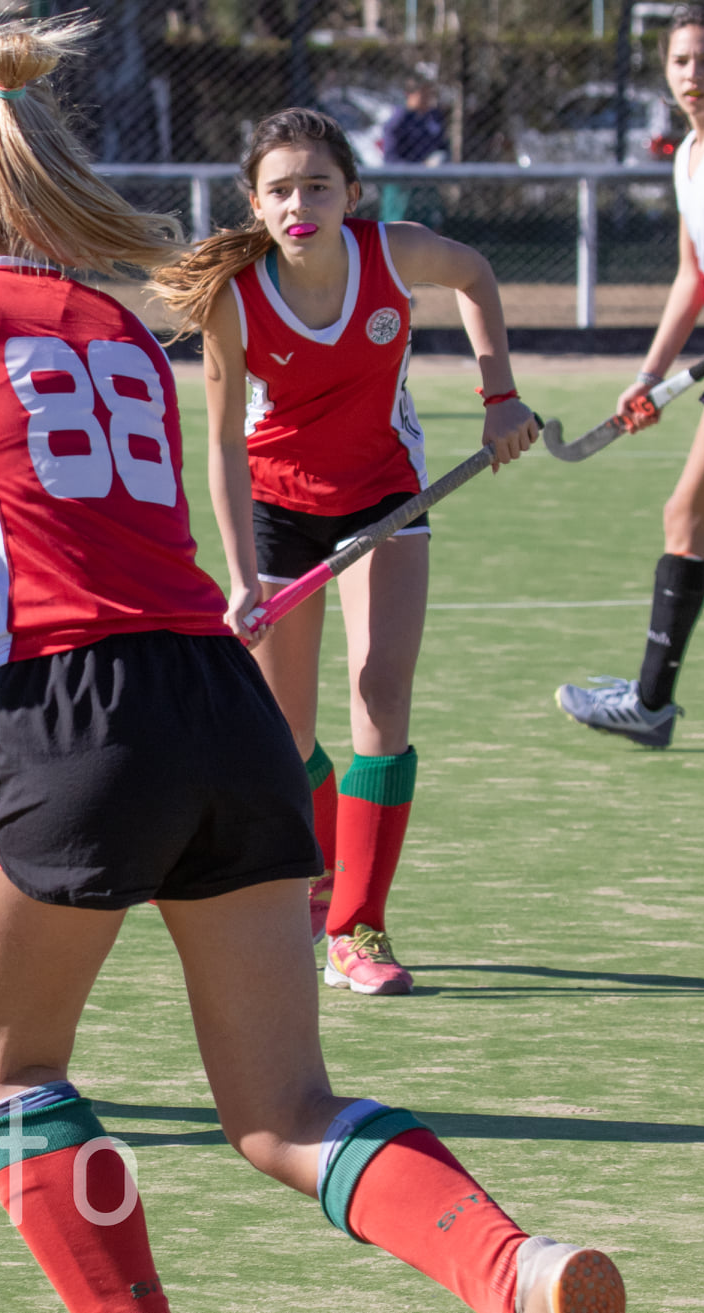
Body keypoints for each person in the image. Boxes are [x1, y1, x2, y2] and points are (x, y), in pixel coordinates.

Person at [0, 20, 623, 1313]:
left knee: (19, 1078)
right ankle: (511, 1261)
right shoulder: (114, 325)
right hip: (223, 704)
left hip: (64, 705)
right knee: (285, 1106)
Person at [151, 107, 538, 997]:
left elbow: (474, 273)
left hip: (386, 494)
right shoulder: (235, 297)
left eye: (318, 186)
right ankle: (318, 877)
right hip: (281, 509)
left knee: (380, 690)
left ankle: (357, 924)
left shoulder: (391, 252)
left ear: (350, 194)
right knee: (286, 735)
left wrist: (499, 394)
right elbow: (218, 448)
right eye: (279, 190)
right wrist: (240, 572)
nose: (300, 205)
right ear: (254, 204)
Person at [557, 3, 704, 749]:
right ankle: (649, 704)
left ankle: (651, 704)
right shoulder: (690, 154)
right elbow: (692, 274)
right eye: (682, 61)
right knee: (684, 517)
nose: (693, 74)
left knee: (684, 515)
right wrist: (650, 375)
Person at [379, 80, 447, 224]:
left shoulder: (432, 117)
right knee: (398, 228)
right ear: (409, 95)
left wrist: (437, 159)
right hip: (401, 183)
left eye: (429, 94)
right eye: (423, 94)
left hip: (424, 181)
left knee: (426, 228)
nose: (427, 99)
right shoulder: (399, 119)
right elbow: (390, 157)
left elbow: (441, 144)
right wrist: (415, 167)